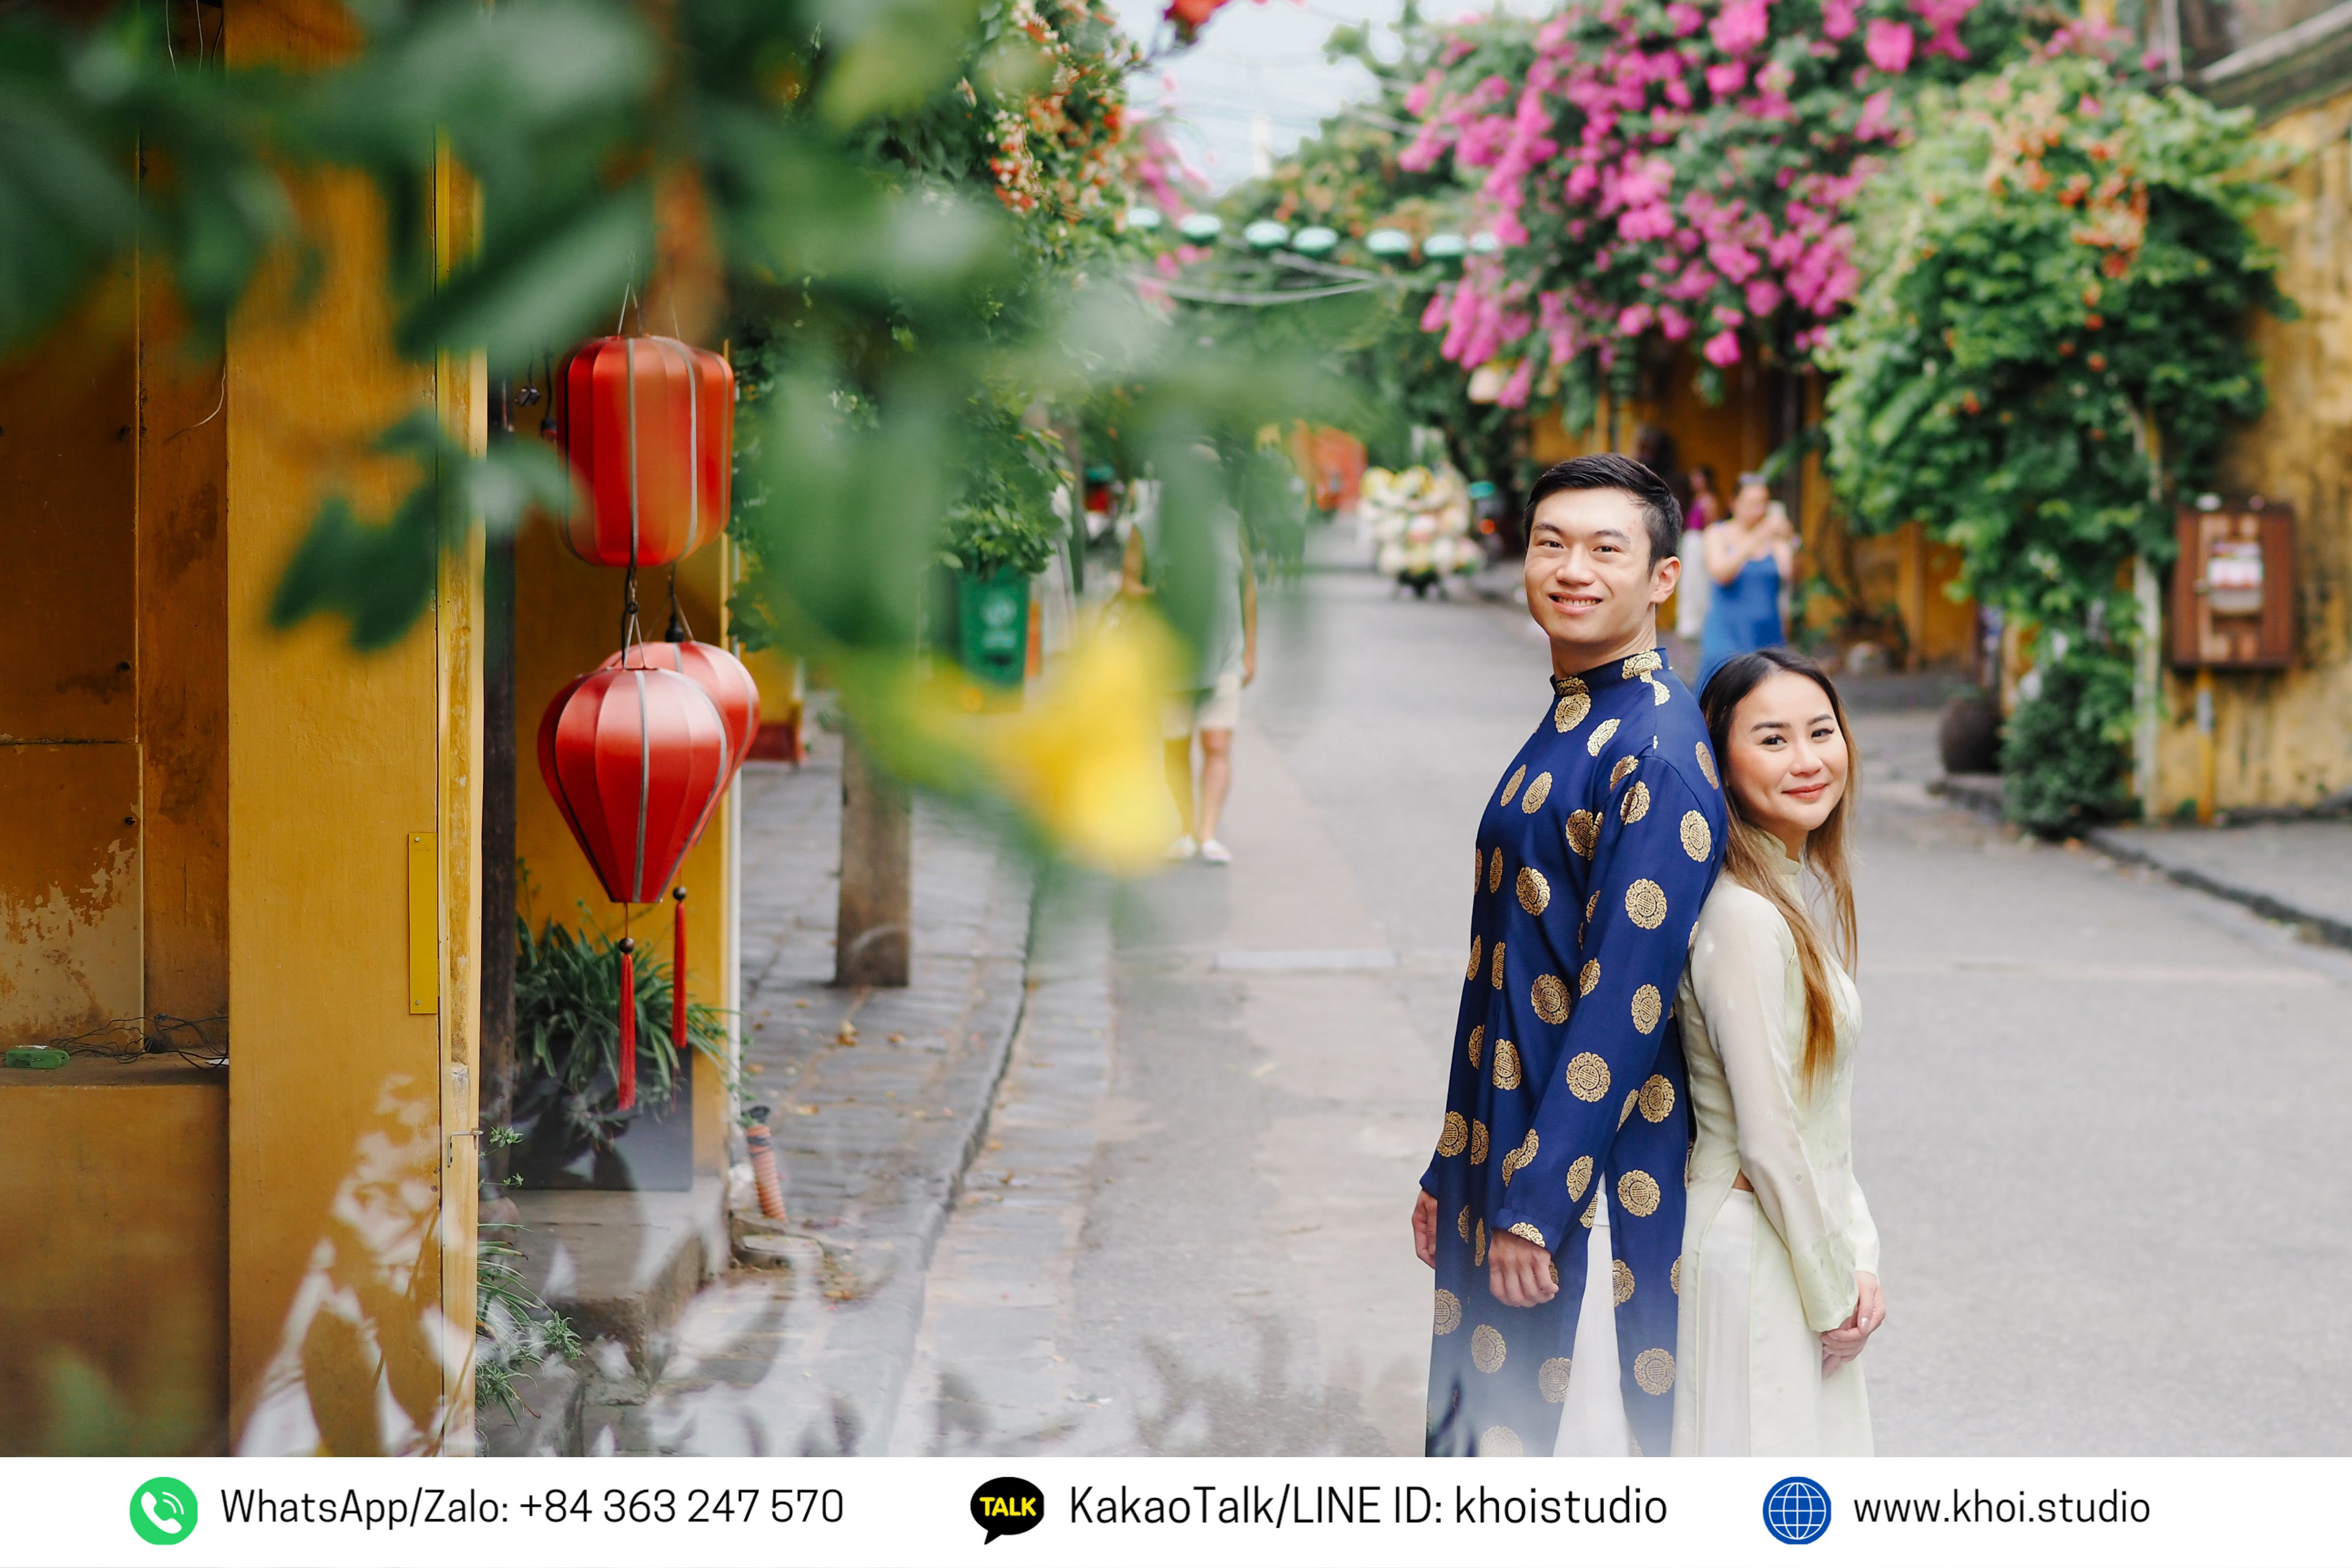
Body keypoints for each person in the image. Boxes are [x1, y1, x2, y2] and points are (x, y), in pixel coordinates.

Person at [1412, 453, 1728, 1460]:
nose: (1572, 569)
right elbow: (1501, 970)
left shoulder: (1655, 748)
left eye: (1605, 548)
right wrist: (1451, 1161)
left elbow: (1624, 1002)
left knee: (1556, 1460)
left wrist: (1541, 1206)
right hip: (1505, 1152)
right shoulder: (1577, 712)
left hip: (1586, 1194)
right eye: (1551, 543)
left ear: (1663, 577)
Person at [1673, 649, 1882, 1455]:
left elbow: (1824, 1121)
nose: (1808, 760)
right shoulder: (1744, 918)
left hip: (1794, 1246)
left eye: (1821, 732)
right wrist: (1833, 1292)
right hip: (1754, 1252)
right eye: (1772, 740)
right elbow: (1767, 1137)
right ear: (1720, 766)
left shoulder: (1780, 899)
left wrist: (1860, 1259)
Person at [1121, 500, 1258, 864]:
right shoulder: (1147, 524)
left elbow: (1247, 589)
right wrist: (1158, 594)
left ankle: (1207, 834)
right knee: (1177, 747)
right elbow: (1128, 585)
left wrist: (1250, 652)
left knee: (1217, 742)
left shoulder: (1231, 522)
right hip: (1171, 658)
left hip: (1225, 653)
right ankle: (1185, 829)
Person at [1697, 474, 1793, 690]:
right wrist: (1757, 538)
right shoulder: (1718, 533)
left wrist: (1789, 541)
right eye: (1751, 503)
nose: (1758, 510)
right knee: (1724, 692)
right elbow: (1721, 573)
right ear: (1734, 503)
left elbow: (1789, 573)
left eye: (1763, 503)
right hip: (1727, 633)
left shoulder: (1774, 538)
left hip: (1767, 634)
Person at [1675, 464, 1721, 641]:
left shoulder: (1709, 500)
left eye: (1698, 477)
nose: (1694, 481)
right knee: (1688, 583)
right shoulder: (1696, 498)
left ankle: (1700, 624)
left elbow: (1712, 525)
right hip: (1690, 542)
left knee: (1699, 583)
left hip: (1700, 543)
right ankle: (1689, 624)